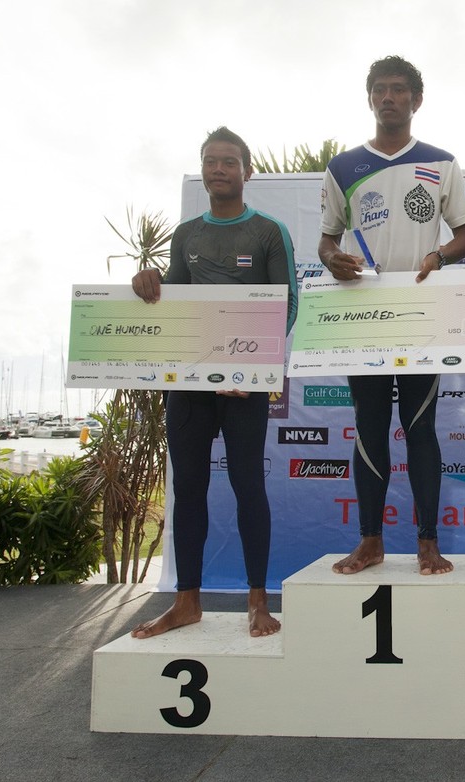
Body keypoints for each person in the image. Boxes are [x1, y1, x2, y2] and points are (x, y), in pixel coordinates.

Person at [130, 126, 298, 638]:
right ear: (203, 169)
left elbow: (287, 305)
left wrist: (246, 371)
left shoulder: (269, 232)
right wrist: (149, 282)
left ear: (247, 171)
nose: (219, 170)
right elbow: (175, 302)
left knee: (249, 484)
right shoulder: (187, 235)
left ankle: (257, 601)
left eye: (229, 161)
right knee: (189, 487)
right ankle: (187, 602)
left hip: (244, 387)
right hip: (190, 383)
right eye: (210, 161)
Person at [318, 55, 465, 576]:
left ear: (416, 100)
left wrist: (440, 256)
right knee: (369, 427)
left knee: (420, 427)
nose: (389, 97)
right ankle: (371, 542)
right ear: (369, 98)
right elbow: (326, 241)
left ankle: (428, 543)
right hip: (364, 315)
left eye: (399, 90)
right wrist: (332, 260)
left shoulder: (442, 162)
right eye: (380, 89)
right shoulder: (343, 167)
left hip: (420, 313)